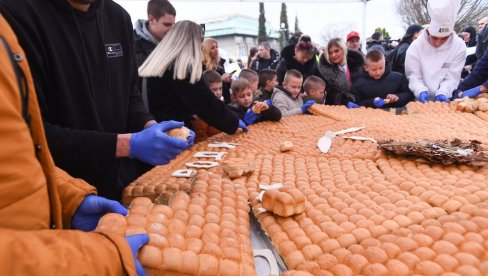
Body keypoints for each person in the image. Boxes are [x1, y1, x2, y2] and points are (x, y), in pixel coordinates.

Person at [0, 0, 194, 200]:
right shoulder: (15, 15)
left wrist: (151, 126)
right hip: (57, 197)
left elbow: (129, 95)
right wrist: (128, 145)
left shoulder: (117, 17)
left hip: (118, 183)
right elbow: (32, 135)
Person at [0, 13, 148, 274]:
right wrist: (104, 259)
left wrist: (66, 199)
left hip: (64, 225)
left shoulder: (117, 19)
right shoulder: (16, 14)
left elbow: (21, 152)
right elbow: (44, 135)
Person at [138, 21, 247, 135]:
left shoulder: (156, 62)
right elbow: (206, 103)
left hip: (152, 130)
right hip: (173, 133)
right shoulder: (182, 68)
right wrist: (233, 122)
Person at [405, 0, 465, 103]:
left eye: (443, 39)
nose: (438, 43)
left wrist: (444, 92)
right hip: (419, 101)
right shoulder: (415, 47)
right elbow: (414, 75)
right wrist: (420, 90)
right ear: (428, 31)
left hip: (445, 100)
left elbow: (453, 76)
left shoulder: (459, 46)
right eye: (434, 38)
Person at [134, 0, 176, 110]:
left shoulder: (174, 44)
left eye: (173, 25)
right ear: (151, 20)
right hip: (143, 116)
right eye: (167, 25)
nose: (171, 30)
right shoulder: (130, 43)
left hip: (170, 113)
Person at [348, 50, 414, 108]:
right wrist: (372, 102)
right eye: (374, 70)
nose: (378, 72)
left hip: (396, 115)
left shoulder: (399, 78)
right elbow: (356, 103)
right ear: (366, 68)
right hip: (371, 118)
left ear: (385, 63)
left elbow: (410, 95)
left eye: (381, 68)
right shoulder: (358, 84)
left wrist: (398, 97)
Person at [317, 38, 364, 105]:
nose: (333, 55)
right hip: (337, 107)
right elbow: (330, 94)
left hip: (360, 104)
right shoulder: (324, 71)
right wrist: (345, 101)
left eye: (336, 51)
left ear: (344, 50)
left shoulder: (358, 63)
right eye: (330, 53)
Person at [202, 38, 233, 104]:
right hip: (211, 101)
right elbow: (204, 86)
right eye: (212, 48)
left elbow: (225, 86)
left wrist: (229, 80)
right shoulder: (202, 66)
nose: (216, 50)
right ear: (206, 50)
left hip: (224, 99)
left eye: (216, 47)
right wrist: (221, 79)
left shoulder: (220, 64)